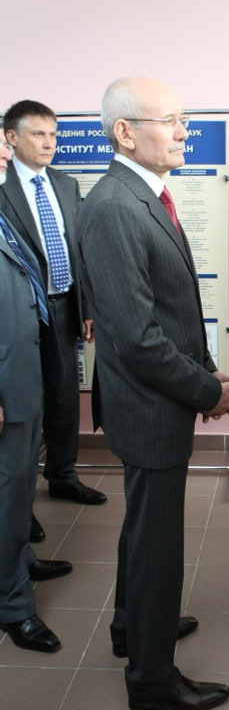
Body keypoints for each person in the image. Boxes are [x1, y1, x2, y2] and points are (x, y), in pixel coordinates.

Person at [77, 77, 229, 710]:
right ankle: (152, 682)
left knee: (146, 529)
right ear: (125, 132)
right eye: (170, 121)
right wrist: (205, 390)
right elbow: (138, 339)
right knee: (157, 544)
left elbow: (171, 308)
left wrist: (205, 373)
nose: (183, 132)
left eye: (183, 120)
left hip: (156, 398)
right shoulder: (116, 207)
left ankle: (134, 625)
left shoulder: (143, 195)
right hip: (148, 406)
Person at [0, 100, 106, 544]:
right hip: (20, 312)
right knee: (27, 406)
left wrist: (86, 307)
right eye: (38, 134)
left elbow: (78, 250)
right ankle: (19, 506)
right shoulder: (2, 186)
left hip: (63, 307)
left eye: (53, 135)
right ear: (11, 138)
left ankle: (62, 476)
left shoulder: (65, 184)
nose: (49, 143)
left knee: (64, 398)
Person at [0, 128, 73, 654]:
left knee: (21, 485)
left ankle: (19, 559)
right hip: (5, 386)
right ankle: (13, 606)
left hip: (22, 374)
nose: (5, 157)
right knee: (7, 493)